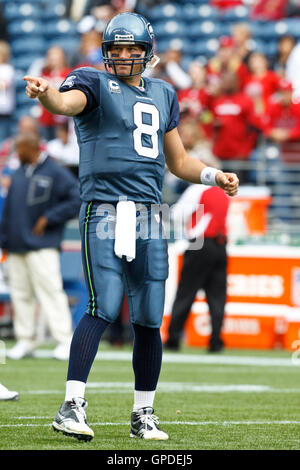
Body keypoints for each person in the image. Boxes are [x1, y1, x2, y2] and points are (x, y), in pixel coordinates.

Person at [23, 12, 239, 442]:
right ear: (106, 54)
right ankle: (71, 404)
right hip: (105, 207)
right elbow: (66, 104)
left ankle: (144, 414)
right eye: (116, 50)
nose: (123, 57)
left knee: (146, 317)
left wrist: (215, 175)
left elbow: (178, 162)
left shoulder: (163, 94)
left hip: (149, 213)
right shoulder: (92, 82)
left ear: (146, 52)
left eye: (131, 49)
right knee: (104, 304)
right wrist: (48, 96)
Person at [0, 132, 81, 361]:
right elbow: (8, 211)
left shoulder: (55, 172)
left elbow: (76, 199)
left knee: (51, 292)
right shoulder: (17, 174)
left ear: (32, 147)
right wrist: (4, 241)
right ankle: (26, 341)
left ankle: (65, 340)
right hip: (16, 245)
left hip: (43, 245)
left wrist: (50, 217)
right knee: (20, 294)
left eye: (20, 149)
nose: (18, 153)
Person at [165, 184, 229, 353]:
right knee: (217, 297)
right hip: (221, 244)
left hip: (200, 244)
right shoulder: (222, 191)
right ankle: (216, 341)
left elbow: (177, 215)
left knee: (186, 293)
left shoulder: (197, 189)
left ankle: (173, 338)